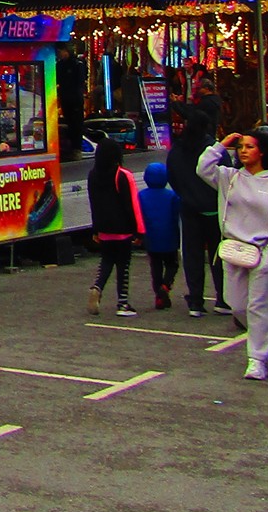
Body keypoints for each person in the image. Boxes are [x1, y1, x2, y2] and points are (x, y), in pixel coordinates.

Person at [197, 126, 268, 380]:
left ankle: (257, 359)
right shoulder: (230, 177)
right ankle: (267, 332)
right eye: (241, 146)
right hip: (234, 250)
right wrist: (222, 144)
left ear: (263, 151)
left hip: (264, 252)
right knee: (237, 306)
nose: (244, 151)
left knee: (259, 306)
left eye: (250, 146)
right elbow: (202, 168)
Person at [168, 82, 229, 317]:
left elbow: (172, 175)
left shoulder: (178, 149)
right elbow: (226, 176)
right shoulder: (213, 149)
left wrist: (184, 193)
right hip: (214, 208)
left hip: (189, 207)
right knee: (218, 254)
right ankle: (223, 298)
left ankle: (195, 300)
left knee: (192, 254)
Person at [85, 139, 144, 317]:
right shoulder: (123, 175)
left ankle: (97, 286)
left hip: (104, 229)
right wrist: (139, 230)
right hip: (123, 229)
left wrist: (95, 230)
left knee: (107, 262)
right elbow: (132, 205)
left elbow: (93, 204)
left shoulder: (93, 175)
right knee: (123, 266)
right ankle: (123, 303)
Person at [137, 161, 182, 311]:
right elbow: (177, 216)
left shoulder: (141, 196)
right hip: (169, 236)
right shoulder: (172, 196)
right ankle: (166, 285)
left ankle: (158, 294)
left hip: (151, 238)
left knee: (155, 266)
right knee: (172, 264)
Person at [56, 42, 88, 159]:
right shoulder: (60, 65)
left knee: (76, 123)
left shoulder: (77, 64)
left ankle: (77, 148)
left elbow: (80, 81)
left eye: (61, 52)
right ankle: (71, 147)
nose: (59, 55)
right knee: (69, 122)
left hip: (75, 97)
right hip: (65, 97)